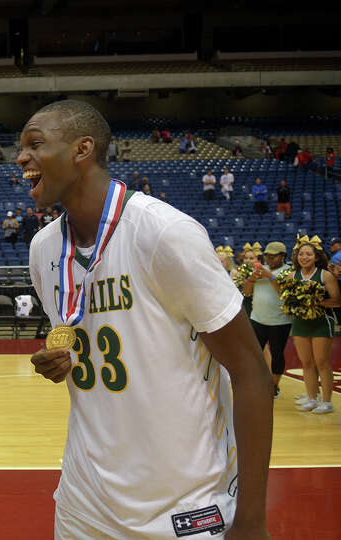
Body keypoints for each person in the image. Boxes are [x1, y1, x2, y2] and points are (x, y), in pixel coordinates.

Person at [20, 100, 272, 538]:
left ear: (82, 149)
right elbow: (87, 330)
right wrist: (62, 357)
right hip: (84, 506)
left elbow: (250, 371)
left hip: (183, 504)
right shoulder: (43, 249)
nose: (21, 157)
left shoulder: (164, 234)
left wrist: (252, 516)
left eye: (35, 144)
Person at [290, 237, 340, 414]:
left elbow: (336, 301)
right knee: (307, 363)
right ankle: (312, 398)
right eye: (301, 254)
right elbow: (287, 299)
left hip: (321, 322)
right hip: (300, 323)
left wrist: (316, 302)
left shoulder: (325, 275)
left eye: (309, 254)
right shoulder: (292, 275)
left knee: (322, 362)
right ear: (297, 257)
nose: (304, 257)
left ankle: (327, 402)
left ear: (316, 257)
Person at [242, 242, 292, 398]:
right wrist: (251, 279)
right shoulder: (259, 270)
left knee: (277, 354)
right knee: (254, 355)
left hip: (280, 321)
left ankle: (274, 386)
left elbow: (285, 294)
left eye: (273, 256)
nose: (269, 259)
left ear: (282, 256)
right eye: (267, 256)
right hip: (257, 319)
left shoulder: (288, 272)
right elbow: (247, 293)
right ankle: (255, 384)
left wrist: (270, 277)